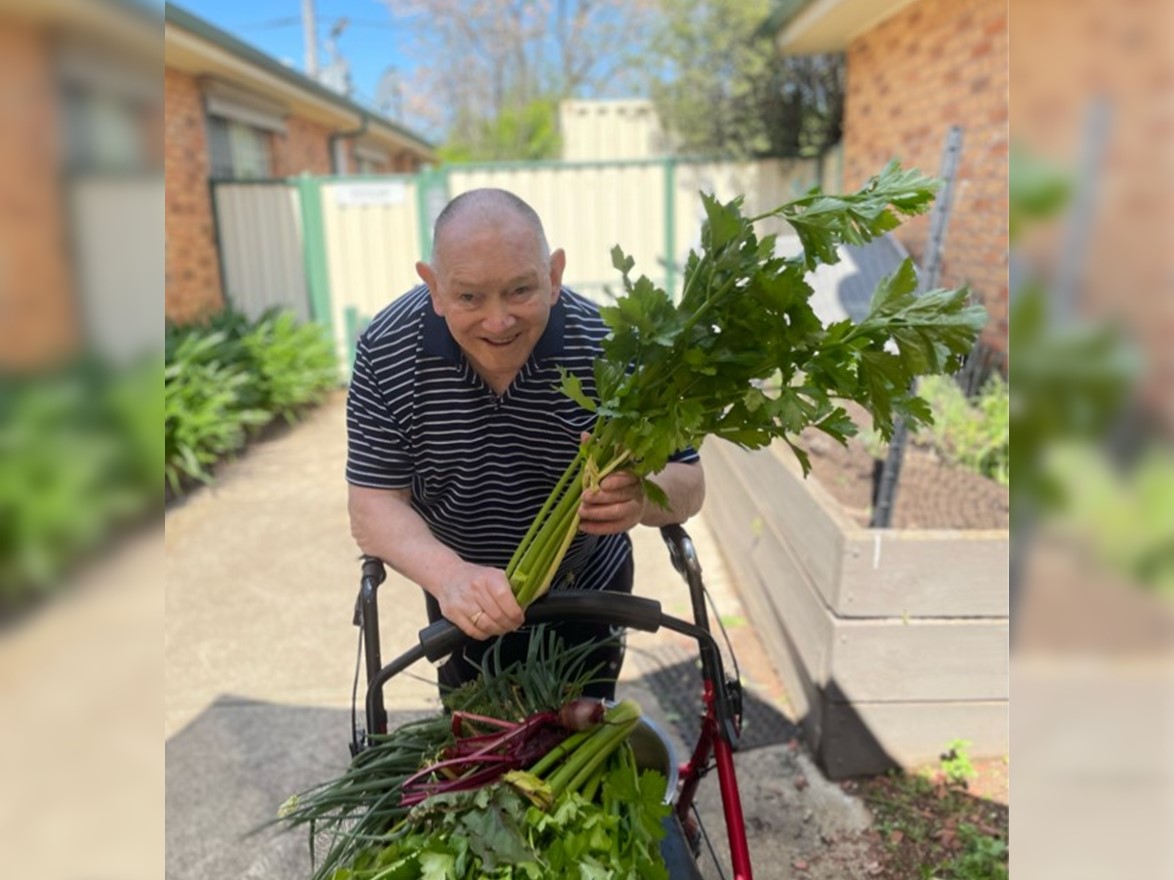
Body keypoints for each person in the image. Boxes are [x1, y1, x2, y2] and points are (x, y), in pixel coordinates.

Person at [346, 188, 705, 700]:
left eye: (520, 291)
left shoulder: (609, 345)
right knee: (479, 742)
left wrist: (644, 496)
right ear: (434, 287)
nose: (498, 322)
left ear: (554, 275)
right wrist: (450, 578)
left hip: (589, 593)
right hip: (464, 596)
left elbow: (690, 481)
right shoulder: (388, 349)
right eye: (469, 296)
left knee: (584, 730)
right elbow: (373, 504)